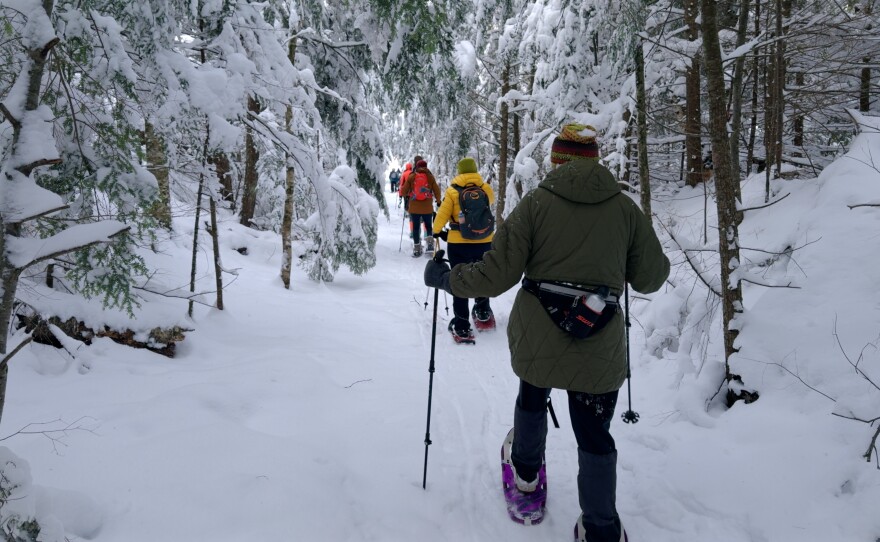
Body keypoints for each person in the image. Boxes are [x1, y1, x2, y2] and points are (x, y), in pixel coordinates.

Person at [423, 124, 669, 541]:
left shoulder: (535, 205)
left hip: (540, 336)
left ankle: (524, 478)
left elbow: (495, 274)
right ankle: (600, 527)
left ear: (557, 161)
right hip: (600, 337)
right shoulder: (625, 210)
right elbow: (651, 278)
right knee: (593, 432)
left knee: (533, 398)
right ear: (595, 161)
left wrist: (446, 279)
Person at [432, 157, 495, 344]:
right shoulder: (485, 188)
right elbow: (487, 206)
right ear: (475, 170)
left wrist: (437, 232)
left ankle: (461, 326)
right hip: (484, 241)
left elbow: (443, 214)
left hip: (459, 244)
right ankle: (483, 314)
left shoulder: (452, 191)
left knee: (459, 280)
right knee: (482, 275)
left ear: (459, 171)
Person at [401, 156, 441, 257]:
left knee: (415, 227)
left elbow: (403, 191)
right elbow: (436, 190)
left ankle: (417, 249)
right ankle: (430, 245)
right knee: (428, 226)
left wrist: (408, 195)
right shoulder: (430, 176)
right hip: (427, 207)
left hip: (414, 207)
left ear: (417, 166)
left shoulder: (412, 176)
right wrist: (438, 201)